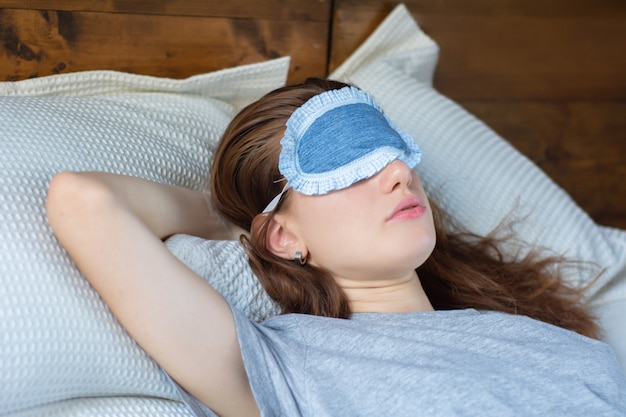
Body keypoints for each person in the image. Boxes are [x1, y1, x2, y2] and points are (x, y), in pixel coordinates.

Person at [46, 78, 626, 417]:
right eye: (345, 168)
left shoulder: (546, 340)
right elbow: (84, 203)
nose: (397, 172)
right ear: (285, 236)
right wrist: (233, 219)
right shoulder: (290, 366)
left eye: (389, 149)